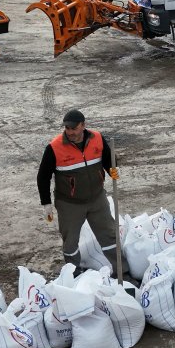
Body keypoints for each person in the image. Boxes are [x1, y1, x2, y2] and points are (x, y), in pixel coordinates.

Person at [36, 109, 119, 268]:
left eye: (74, 128)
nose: (70, 132)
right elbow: (43, 177)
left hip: (97, 198)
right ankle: (73, 273)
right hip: (69, 204)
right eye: (67, 128)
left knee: (109, 236)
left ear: (83, 126)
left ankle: (123, 271)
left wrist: (113, 169)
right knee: (70, 243)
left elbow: (109, 160)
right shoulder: (54, 148)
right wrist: (46, 203)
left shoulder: (98, 139)